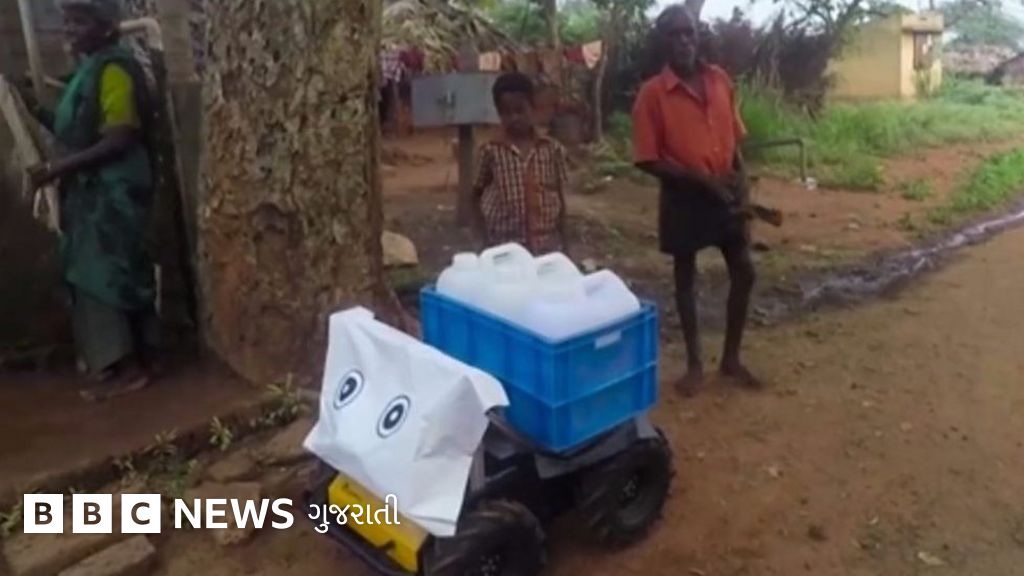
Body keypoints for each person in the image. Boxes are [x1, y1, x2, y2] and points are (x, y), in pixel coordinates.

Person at [26, 0, 159, 401]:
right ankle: (122, 363)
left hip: (114, 191)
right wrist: (31, 108)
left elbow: (120, 136)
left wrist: (58, 169)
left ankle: (129, 369)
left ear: (106, 28)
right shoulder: (89, 71)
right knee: (96, 275)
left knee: (107, 277)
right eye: (67, 21)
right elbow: (76, 128)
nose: (69, 29)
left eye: (79, 22)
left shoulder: (115, 69)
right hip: (94, 193)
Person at [631, 4, 762, 396]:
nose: (683, 41)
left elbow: (735, 138)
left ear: (698, 35)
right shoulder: (652, 94)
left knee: (745, 270)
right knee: (685, 279)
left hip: (726, 194)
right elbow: (648, 159)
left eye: (689, 32)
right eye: (674, 35)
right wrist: (701, 180)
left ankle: (731, 359)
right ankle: (693, 366)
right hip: (684, 199)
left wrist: (741, 182)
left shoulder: (719, 79)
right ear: (663, 42)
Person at [473, 72, 570, 254]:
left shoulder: (552, 149)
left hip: (546, 246)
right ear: (499, 113)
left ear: (532, 108)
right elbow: (476, 193)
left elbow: (561, 197)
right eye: (506, 112)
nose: (514, 118)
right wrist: (483, 240)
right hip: (503, 246)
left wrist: (566, 245)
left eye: (520, 110)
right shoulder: (490, 150)